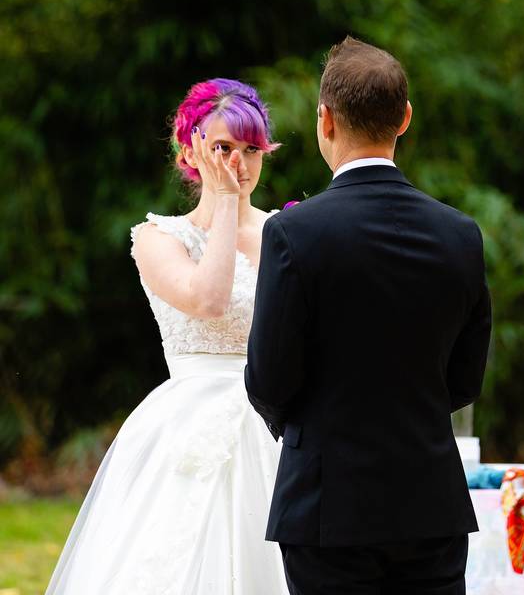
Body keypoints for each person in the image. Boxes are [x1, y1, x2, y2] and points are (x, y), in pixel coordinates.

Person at [245, 36, 492, 595]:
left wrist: (317, 432)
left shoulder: (293, 233)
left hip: (328, 507)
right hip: (430, 503)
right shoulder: (460, 235)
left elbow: (268, 378)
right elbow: (466, 378)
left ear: (324, 121)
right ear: (404, 118)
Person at [46, 79, 290, 594]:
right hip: (184, 424)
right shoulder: (158, 238)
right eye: (223, 148)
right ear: (190, 149)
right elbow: (208, 300)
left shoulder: (285, 235)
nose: (237, 165)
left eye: (251, 150)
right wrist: (224, 208)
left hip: (273, 422)